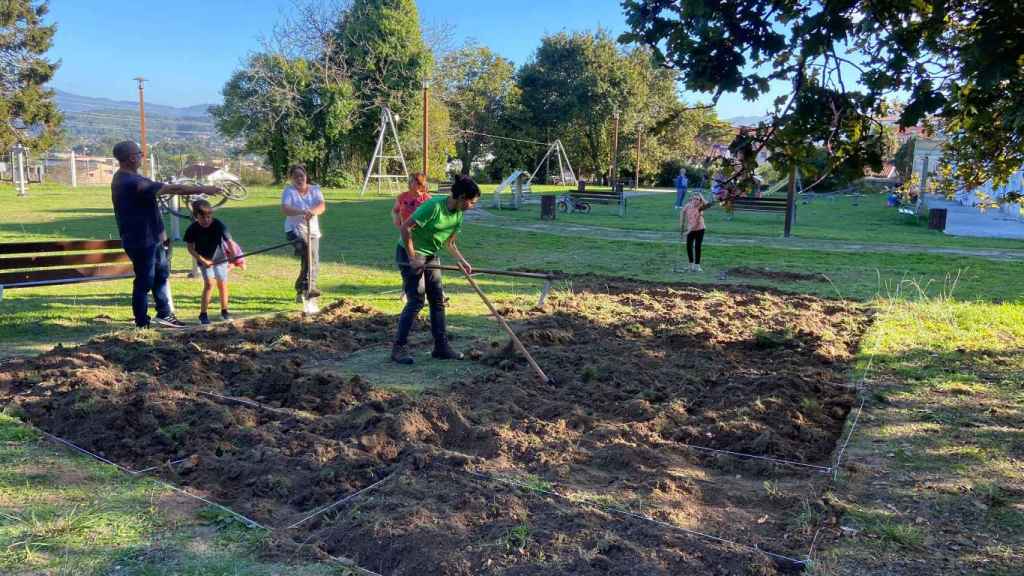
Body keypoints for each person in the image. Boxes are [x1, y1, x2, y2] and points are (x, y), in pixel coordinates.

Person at [110, 140, 223, 329]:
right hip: (140, 241)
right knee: (145, 281)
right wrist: (204, 189)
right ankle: (141, 323)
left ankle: (164, 314)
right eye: (139, 153)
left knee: (161, 275)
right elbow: (173, 189)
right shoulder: (131, 181)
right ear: (131, 158)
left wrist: (161, 236)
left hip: (153, 238)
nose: (141, 157)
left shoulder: (131, 178)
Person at [391, 175, 481, 365]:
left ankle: (441, 347)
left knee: (437, 300)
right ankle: (398, 348)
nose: (472, 206)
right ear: (462, 197)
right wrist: (412, 256)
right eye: (471, 202)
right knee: (416, 300)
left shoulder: (458, 214)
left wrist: (462, 261)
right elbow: (405, 228)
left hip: (430, 255)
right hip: (410, 252)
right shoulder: (434, 207)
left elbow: (449, 242)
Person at [184, 199, 233, 324]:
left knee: (222, 284)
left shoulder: (218, 224)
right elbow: (190, 248)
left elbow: (229, 242)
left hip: (220, 259)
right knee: (209, 284)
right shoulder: (192, 229)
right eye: (202, 217)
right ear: (196, 216)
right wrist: (202, 260)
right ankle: (203, 314)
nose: (206, 220)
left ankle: (224, 311)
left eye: (208, 216)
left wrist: (232, 257)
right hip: (204, 260)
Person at [280, 165, 326, 301]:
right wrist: (302, 211)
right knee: (308, 253)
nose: (299, 179)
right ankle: (309, 288)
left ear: (306, 176)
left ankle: (302, 289)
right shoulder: (289, 191)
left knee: (312, 260)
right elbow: (285, 209)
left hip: (312, 231)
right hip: (294, 230)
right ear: (291, 178)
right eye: (296, 177)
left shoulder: (315, 189)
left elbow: (321, 206)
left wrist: (312, 212)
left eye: (301, 175)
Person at [681, 192, 713, 272]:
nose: (695, 200)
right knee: (689, 246)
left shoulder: (700, 208)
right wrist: (682, 225)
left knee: (697, 246)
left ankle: (697, 266)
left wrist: (701, 195)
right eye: (694, 198)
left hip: (700, 229)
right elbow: (682, 212)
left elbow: (708, 205)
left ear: (700, 201)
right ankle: (691, 265)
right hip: (690, 229)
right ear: (691, 199)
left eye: (697, 199)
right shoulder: (688, 206)